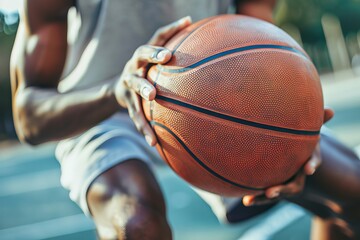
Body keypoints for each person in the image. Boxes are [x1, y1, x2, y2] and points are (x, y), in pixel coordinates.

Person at [10, 0, 360, 239]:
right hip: (102, 108)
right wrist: (114, 92)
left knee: (352, 190)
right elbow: (28, 117)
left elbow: (264, 59)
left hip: (221, 100)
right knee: (136, 224)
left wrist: (292, 138)